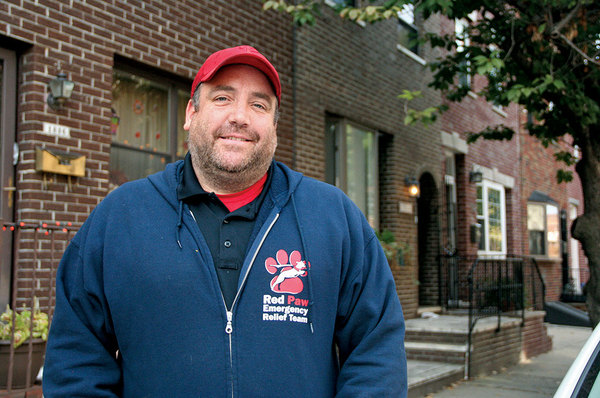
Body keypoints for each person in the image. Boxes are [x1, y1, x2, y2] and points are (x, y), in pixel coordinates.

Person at [43, 45, 407, 397]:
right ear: (190, 113)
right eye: (222, 98)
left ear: (275, 127)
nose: (240, 116)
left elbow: (377, 353)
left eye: (259, 104)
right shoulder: (121, 216)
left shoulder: (333, 218)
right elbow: (76, 358)